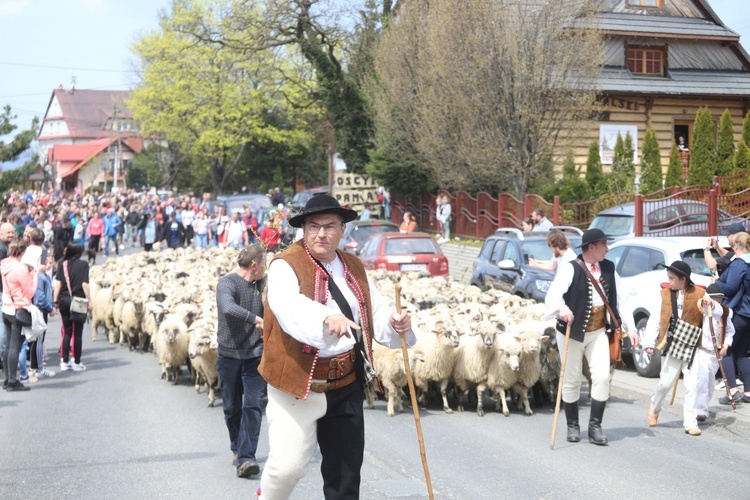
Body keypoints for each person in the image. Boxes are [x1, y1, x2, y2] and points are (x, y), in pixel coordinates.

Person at [258, 194, 416, 499]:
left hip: (345, 384)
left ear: (343, 230)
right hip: (296, 383)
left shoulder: (354, 266)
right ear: (303, 228)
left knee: (345, 477)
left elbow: (375, 309)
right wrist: (326, 317)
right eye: (314, 226)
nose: (321, 233)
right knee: (286, 469)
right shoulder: (284, 265)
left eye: (330, 226)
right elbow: (288, 307)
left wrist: (395, 324)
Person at [545, 228, 637, 445]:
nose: (607, 249)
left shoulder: (609, 268)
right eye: (604, 245)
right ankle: (573, 426)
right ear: (591, 247)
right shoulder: (570, 269)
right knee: (572, 378)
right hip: (571, 332)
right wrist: (562, 308)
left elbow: (622, 298)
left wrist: (631, 328)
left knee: (603, 376)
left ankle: (595, 426)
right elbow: (552, 296)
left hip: (597, 332)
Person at [641, 261, 719, 436]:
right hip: (673, 343)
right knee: (665, 383)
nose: (669, 282)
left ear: (683, 279)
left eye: (672, 279)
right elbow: (656, 319)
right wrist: (649, 342)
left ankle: (690, 423)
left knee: (692, 385)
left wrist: (712, 305)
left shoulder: (700, 293)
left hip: (693, 345)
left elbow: (714, 315)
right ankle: (655, 404)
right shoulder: (664, 295)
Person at [216, 245, 267, 479]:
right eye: (264, 262)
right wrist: (258, 319)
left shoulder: (263, 285)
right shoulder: (227, 284)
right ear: (254, 265)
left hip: (255, 355)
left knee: (253, 405)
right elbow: (228, 308)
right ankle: (237, 447)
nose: (265, 266)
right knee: (231, 407)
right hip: (229, 355)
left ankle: (247, 457)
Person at [715, 231, 750, 404]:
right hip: (748, 314)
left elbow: (729, 288)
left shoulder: (739, 263)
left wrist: (717, 281)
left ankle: (733, 391)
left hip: (740, 312)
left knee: (725, 350)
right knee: (741, 352)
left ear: (736, 246)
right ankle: (748, 393)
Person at [1, 239, 39, 391]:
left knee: (8, 347)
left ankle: (7, 379)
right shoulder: (20, 269)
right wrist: (35, 274)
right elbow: (30, 292)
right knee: (15, 347)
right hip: (18, 309)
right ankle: (12, 381)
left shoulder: (4, 264)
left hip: (6, 307)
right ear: (23, 252)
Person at [695, 283, 734, 422]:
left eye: (719, 300)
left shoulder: (726, 312)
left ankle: (702, 405)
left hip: (715, 353)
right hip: (702, 350)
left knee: (711, 384)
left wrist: (726, 345)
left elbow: (730, 331)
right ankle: (701, 410)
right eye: (713, 300)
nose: (716, 303)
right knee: (703, 379)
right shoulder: (701, 309)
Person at [53, 242, 92, 372]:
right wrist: (89, 301)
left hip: (64, 300)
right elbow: (85, 285)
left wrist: (54, 301)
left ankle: (64, 361)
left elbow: (57, 284)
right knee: (78, 333)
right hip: (79, 300)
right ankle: (77, 362)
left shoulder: (62, 264)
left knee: (67, 331)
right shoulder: (84, 265)